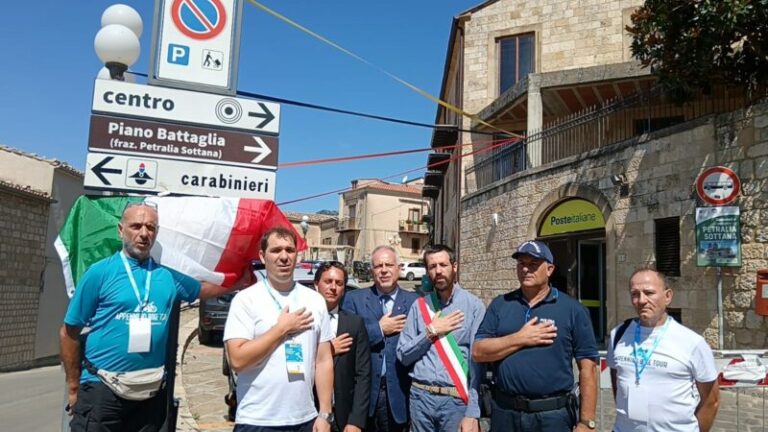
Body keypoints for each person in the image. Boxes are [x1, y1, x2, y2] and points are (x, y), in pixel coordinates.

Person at [60, 201, 229, 432]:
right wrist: (73, 386)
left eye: (150, 227)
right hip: (102, 390)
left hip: (150, 392)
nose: (143, 233)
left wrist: (242, 280)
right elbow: (69, 332)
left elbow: (202, 289)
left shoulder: (166, 276)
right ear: (121, 230)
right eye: (136, 226)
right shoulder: (99, 273)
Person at [472, 240, 599, 431]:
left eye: (533, 264)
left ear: (549, 269)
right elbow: (478, 352)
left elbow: (588, 368)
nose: (525, 269)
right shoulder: (501, 305)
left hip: (552, 416)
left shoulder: (573, 310)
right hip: (505, 413)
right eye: (521, 264)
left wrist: (586, 422)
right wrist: (521, 338)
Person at [224, 227, 334, 432]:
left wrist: (325, 414)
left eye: (289, 250)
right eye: (276, 250)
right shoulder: (245, 300)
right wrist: (281, 329)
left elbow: (323, 360)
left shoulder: (315, 301)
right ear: (262, 256)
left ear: (297, 255)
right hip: (257, 421)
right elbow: (237, 360)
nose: (284, 256)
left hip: (305, 420)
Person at [608, 268, 720, 432]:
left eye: (649, 293)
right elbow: (617, 381)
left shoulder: (692, 342)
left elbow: (711, 400)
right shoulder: (618, 334)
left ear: (667, 296)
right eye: (635, 294)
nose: (641, 300)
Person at [396, 244, 486, 432]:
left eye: (443, 265)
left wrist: (473, 412)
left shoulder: (474, 306)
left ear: (454, 266)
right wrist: (430, 332)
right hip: (421, 397)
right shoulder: (419, 306)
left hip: (456, 400)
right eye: (432, 266)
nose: (438, 271)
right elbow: (403, 356)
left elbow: (477, 364)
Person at [342, 245, 419, 432]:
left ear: (399, 268)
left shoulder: (416, 302)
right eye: (378, 266)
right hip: (364, 395)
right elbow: (347, 342)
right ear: (372, 271)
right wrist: (379, 329)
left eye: (389, 265)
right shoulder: (354, 299)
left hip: (401, 393)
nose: (383, 270)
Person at [313, 261, 372, 432]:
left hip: (344, 418)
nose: (333, 287)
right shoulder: (303, 321)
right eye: (328, 282)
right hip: (311, 415)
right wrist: (328, 351)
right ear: (316, 285)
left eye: (339, 283)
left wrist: (356, 421)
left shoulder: (354, 324)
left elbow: (363, 375)